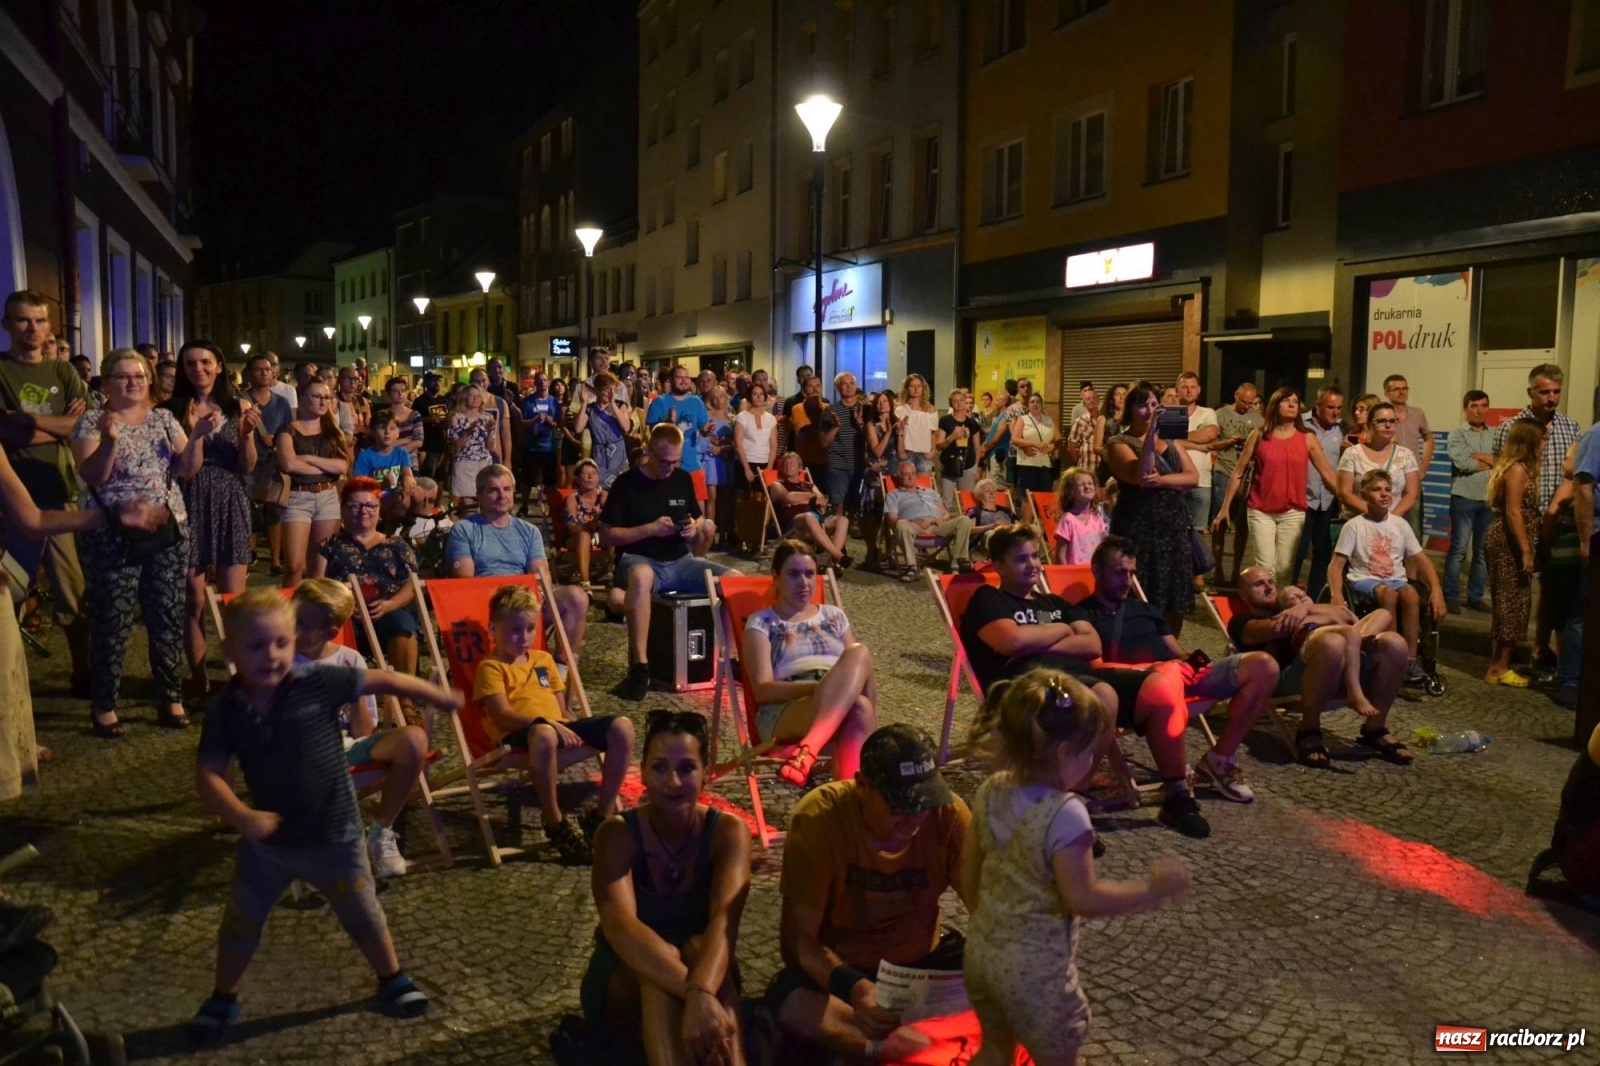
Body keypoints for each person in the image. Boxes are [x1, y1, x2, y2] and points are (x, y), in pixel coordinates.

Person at [187, 588, 457, 1043]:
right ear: (229, 651)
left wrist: (434, 693)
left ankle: (391, 977)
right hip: (269, 845)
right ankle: (223, 996)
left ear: (293, 642)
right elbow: (208, 775)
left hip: (336, 834)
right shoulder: (226, 710)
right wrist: (241, 815)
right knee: (240, 920)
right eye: (254, 646)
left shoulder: (316, 682)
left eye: (280, 643)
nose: (270, 656)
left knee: (364, 913)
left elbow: (384, 679)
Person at [961, 670, 1191, 1066]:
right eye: (1089, 752)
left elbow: (967, 872)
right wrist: (1153, 890)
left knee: (995, 1051)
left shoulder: (991, 789)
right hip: (1037, 974)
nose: (1090, 761)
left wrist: (994, 926)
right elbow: (1085, 898)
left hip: (982, 954)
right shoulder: (1066, 814)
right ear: (1065, 752)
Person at [958, 525, 1212, 838]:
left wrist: (1036, 639)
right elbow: (1010, 642)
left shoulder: (1054, 603)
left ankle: (1175, 794)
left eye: (1036, 555)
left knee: (1158, 687)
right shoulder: (988, 599)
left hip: (1078, 677)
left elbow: (1092, 645)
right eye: (1021, 559)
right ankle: (1066, 807)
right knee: (1103, 694)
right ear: (998, 565)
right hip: (1026, 688)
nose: (1033, 564)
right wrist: (1063, 632)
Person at [766, 724, 970, 1062]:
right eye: (900, 807)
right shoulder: (821, 817)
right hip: (847, 975)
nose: (914, 818)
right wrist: (854, 988)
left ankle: (903, 1047)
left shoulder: (948, 815)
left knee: (1001, 986)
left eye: (924, 804)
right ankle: (923, 1050)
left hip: (922, 968)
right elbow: (797, 941)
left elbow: (991, 913)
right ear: (862, 786)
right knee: (790, 1001)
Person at [585, 710, 751, 1065]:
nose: (673, 782)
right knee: (655, 972)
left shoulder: (728, 833)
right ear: (642, 771)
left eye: (687, 768)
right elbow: (621, 927)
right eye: (660, 767)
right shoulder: (617, 835)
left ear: (707, 772)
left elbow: (725, 921)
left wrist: (702, 989)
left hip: (704, 964)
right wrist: (700, 994)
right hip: (625, 971)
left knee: (698, 946)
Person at [1068, 536, 1274, 802]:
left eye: (1132, 573)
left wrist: (1193, 662)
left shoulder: (1146, 609)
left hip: (1176, 675)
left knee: (1263, 666)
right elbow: (1096, 669)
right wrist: (1154, 668)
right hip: (1140, 687)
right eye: (1120, 573)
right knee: (1167, 675)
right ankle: (1176, 773)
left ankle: (1219, 759)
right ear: (1097, 571)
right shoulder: (1081, 614)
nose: (1128, 581)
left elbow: (1177, 652)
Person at [71, 348, 212, 734]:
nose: (132, 382)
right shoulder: (91, 422)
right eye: (122, 376)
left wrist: (197, 436)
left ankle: (170, 698)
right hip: (109, 534)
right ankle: (104, 707)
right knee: (111, 619)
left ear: (149, 379)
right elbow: (93, 478)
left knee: (166, 617)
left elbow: (187, 470)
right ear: (106, 382)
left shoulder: (165, 419)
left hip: (167, 531)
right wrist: (111, 441)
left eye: (138, 375)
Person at [474, 584, 634, 863]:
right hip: (518, 737)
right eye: (514, 629)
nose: (523, 638)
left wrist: (571, 725)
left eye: (530, 629)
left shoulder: (543, 659)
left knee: (622, 727)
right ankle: (555, 821)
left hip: (554, 728)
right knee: (544, 733)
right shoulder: (491, 667)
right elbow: (502, 716)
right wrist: (547, 722)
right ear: (492, 629)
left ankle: (602, 815)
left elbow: (561, 708)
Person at [291, 579, 429, 879]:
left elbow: (363, 731)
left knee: (415, 739)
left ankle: (381, 830)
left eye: (304, 623)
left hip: (347, 749)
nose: (294, 628)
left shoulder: (350, 660)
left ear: (329, 631)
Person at [1229, 566, 1413, 768]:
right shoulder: (1242, 621)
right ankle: (1309, 730)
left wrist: (1305, 609)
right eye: (1259, 584)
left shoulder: (1291, 607)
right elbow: (1278, 628)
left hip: (1343, 664)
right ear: (1243, 594)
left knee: (1395, 643)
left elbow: (1342, 613)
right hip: (1290, 681)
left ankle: (1375, 729)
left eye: (1270, 582)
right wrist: (1322, 615)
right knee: (1332, 643)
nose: (1268, 588)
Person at [0, 290, 92, 694]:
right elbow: (3, 430)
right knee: (10, 594)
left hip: (58, 493)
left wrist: (27, 423)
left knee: (72, 593)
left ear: (49, 326)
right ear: (7, 325)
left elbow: (82, 427)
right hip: (9, 497)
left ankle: (84, 674)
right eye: (23, 321)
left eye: (39, 321)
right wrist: (55, 424)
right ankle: (12, 684)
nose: (32, 328)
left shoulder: (62, 372)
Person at [601, 424, 734, 701]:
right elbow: (606, 535)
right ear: (649, 451)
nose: (669, 468)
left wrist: (692, 527)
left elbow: (696, 517)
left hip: (680, 559)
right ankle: (640, 666)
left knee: (736, 580)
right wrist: (649, 529)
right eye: (664, 462)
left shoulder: (682, 479)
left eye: (675, 461)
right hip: (640, 558)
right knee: (640, 576)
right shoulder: (626, 484)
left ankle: (730, 658)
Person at [165, 340, 260, 703]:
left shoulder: (237, 406)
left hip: (229, 496)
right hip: (188, 499)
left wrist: (247, 434)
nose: (199, 369)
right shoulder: (171, 409)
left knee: (234, 600)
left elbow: (247, 465)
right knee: (193, 599)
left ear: (219, 365)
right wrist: (194, 433)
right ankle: (199, 677)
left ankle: (239, 676)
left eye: (206, 361)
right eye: (191, 364)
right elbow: (184, 468)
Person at [745, 540, 878, 788]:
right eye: (794, 574)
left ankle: (842, 794)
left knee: (859, 664)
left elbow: (858, 669)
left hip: (839, 698)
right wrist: (820, 689)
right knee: (857, 688)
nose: (804, 582)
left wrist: (831, 689)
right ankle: (861, 760)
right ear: (775, 577)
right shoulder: (762, 623)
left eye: (809, 574)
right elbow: (762, 691)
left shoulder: (834, 615)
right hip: (787, 707)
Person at [445, 464, 590, 652]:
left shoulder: (529, 531)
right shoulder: (464, 529)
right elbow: (465, 580)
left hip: (526, 601)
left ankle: (561, 669)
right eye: (493, 490)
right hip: (487, 605)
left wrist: (527, 597)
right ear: (479, 495)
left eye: (507, 489)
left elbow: (541, 577)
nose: (502, 495)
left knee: (577, 597)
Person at [1211, 387, 1339, 591]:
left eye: (1295, 401)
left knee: (1284, 569)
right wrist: (1225, 507)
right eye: (1286, 400)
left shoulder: (1307, 437)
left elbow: (1328, 473)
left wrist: (1350, 500)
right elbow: (1238, 471)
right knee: (1266, 567)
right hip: (1260, 510)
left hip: (1293, 511)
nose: (1291, 404)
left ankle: (1281, 614)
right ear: (1275, 404)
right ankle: (1264, 612)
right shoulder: (1259, 435)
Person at [1326, 470, 1446, 688]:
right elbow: (1336, 566)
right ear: (1363, 495)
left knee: (1410, 593)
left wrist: (1437, 591)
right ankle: (1390, 653)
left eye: (1387, 490)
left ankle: (1409, 659)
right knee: (1388, 594)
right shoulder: (1354, 526)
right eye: (1376, 489)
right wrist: (1336, 595)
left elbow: (1422, 560)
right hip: (1363, 579)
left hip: (1395, 579)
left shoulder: (1400, 525)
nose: (1384, 494)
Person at [1105, 382, 1198, 631]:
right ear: (1130, 410)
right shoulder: (1118, 441)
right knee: (1141, 583)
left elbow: (1192, 477)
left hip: (1173, 525)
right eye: (1142, 405)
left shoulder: (1171, 441)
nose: (1150, 410)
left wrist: (1163, 480)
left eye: (1154, 404)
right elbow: (1141, 476)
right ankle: (1137, 641)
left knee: (1172, 590)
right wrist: (1149, 438)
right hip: (1140, 524)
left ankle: (1169, 648)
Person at [317, 477, 422, 687]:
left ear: (379, 509)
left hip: (388, 611)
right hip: (345, 614)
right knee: (331, 628)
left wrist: (390, 605)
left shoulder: (397, 545)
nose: (363, 511)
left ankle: (405, 701)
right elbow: (317, 585)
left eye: (370, 506)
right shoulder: (329, 545)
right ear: (343, 509)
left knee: (402, 625)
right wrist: (344, 606)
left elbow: (413, 583)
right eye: (355, 505)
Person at [1483, 422, 1542, 687]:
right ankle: (1499, 667)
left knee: (1515, 602)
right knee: (1510, 603)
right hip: (1509, 542)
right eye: (1542, 439)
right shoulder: (1517, 470)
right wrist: (1526, 551)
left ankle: (1500, 663)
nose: (1545, 444)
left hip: (1515, 540)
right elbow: (1513, 511)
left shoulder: (1523, 469)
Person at [275, 378, 349, 588]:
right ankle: (290, 612)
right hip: (298, 498)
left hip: (327, 497)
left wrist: (308, 458)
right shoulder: (288, 430)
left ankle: (315, 614)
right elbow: (289, 464)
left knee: (321, 569)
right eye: (316, 396)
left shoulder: (333, 432)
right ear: (303, 398)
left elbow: (343, 466)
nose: (322, 401)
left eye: (326, 397)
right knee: (294, 566)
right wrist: (326, 467)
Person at [240, 353, 295, 575]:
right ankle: (248, 554)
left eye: (268, 369)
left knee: (274, 510)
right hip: (247, 461)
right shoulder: (241, 401)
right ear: (250, 373)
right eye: (258, 369)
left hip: (272, 461)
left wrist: (277, 440)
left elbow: (288, 429)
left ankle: (274, 560)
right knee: (249, 509)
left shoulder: (281, 402)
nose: (264, 373)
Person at [1290, 386, 1347, 598]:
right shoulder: (1299, 424)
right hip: (1302, 498)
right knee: (1297, 551)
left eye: (1339, 408)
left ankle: (1315, 597)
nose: (1336, 412)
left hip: (1329, 499)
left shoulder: (1344, 429)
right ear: (1318, 406)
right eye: (1330, 407)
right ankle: (1288, 593)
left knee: (1323, 552)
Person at [1444, 390, 1495, 613]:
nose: (1479, 410)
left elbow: (1502, 460)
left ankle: (1475, 597)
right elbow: (1462, 463)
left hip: (1489, 499)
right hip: (1464, 498)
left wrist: (1476, 456)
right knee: (1459, 550)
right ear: (1466, 408)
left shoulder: (1495, 434)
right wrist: (1490, 461)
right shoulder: (1457, 434)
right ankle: (1450, 596)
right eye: (1474, 406)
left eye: (1483, 405)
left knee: (1483, 552)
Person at [884, 459, 974, 581]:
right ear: (899, 477)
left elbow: (946, 514)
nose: (911, 477)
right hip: (914, 527)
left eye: (913, 473)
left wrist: (942, 518)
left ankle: (956, 561)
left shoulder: (930, 492)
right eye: (906, 474)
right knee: (901, 524)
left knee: (964, 520)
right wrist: (914, 522)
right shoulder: (894, 495)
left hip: (936, 527)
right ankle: (912, 567)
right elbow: (892, 519)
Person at [1208, 382, 1261, 585]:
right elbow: (1211, 442)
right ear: (1235, 395)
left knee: (1242, 526)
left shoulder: (1258, 420)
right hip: (1224, 469)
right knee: (1220, 522)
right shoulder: (1220, 415)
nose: (1246, 406)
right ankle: (1218, 569)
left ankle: (1237, 570)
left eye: (1251, 403)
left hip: (1247, 475)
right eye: (1243, 401)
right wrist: (1228, 441)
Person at [1336, 401, 1421, 525]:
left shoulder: (1406, 455)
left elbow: (1412, 494)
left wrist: (1390, 519)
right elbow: (1344, 492)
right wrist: (1373, 515)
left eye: (1392, 421)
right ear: (1370, 424)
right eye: (1381, 421)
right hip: (1359, 523)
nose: (1388, 425)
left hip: (1392, 524)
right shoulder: (1352, 453)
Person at [770, 452, 851, 568]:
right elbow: (789, 498)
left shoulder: (809, 485)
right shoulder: (777, 485)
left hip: (817, 521)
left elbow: (822, 501)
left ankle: (833, 563)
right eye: (785, 464)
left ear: (800, 468)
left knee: (843, 520)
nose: (787, 466)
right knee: (809, 516)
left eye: (791, 463)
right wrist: (812, 496)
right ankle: (838, 556)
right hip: (794, 524)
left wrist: (801, 499)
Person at [1381, 375, 1433, 541]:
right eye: (1396, 389)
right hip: (1388, 481)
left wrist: (1423, 467)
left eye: (1404, 388)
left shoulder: (1417, 413)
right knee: (1387, 528)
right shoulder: (1382, 415)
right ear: (1387, 393)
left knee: (1413, 530)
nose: (1401, 392)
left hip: (1412, 480)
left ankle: (1412, 566)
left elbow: (1429, 438)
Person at [353, 410, 417, 528]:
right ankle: (386, 534)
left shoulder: (401, 453)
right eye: (382, 428)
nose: (387, 432)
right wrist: (382, 485)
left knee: (420, 492)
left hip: (394, 495)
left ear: (398, 432)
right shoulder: (366, 456)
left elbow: (408, 472)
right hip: (373, 498)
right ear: (372, 432)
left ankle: (409, 528)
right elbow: (360, 487)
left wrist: (408, 477)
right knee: (401, 501)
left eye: (392, 428)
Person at [1176, 372, 1220, 541]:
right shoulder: (1169, 413)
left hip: (1201, 482)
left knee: (1197, 539)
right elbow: (1165, 441)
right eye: (1184, 387)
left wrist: (1177, 437)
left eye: (1192, 387)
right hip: (1175, 482)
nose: (1189, 391)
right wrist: (1197, 445)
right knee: (1175, 535)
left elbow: (1209, 435)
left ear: (1199, 390)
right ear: (1177, 389)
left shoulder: (1207, 413)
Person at [646, 366, 710, 477]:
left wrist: (706, 430)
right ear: (671, 380)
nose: (684, 381)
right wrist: (668, 423)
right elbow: (653, 432)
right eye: (679, 377)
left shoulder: (696, 402)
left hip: (693, 465)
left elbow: (703, 430)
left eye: (686, 377)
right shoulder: (659, 402)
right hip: (667, 468)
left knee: (700, 495)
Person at [574, 371, 633, 489]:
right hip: (599, 453)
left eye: (612, 389)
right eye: (605, 389)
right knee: (600, 489)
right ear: (597, 390)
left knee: (621, 487)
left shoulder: (620, 405)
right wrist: (584, 403)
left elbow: (626, 427)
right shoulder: (590, 409)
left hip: (618, 453)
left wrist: (613, 405)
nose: (609, 393)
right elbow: (578, 428)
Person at [448, 383, 501, 512]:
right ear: (465, 397)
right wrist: (468, 432)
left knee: (485, 503)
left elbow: (490, 446)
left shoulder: (488, 417)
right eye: (471, 395)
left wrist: (489, 432)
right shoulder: (456, 417)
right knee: (468, 505)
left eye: (478, 396)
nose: (475, 399)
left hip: (483, 464)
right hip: (464, 465)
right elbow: (457, 446)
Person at [517, 371, 562, 510]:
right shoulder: (527, 401)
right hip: (531, 447)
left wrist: (551, 422)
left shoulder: (554, 402)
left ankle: (551, 508)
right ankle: (524, 505)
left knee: (550, 481)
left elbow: (559, 423)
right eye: (539, 380)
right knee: (527, 479)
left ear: (548, 383)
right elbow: (520, 422)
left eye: (545, 380)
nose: (542, 382)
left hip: (549, 447)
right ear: (535, 383)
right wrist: (534, 421)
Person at [935, 388, 984, 508]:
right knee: (946, 501)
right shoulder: (945, 421)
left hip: (968, 464)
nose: (959, 403)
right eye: (955, 401)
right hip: (950, 464)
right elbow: (939, 445)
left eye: (961, 400)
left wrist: (976, 467)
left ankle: (968, 525)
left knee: (968, 501)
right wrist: (952, 437)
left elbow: (977, 447)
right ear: (951, 403)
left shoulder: (972, 423)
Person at [825, 372, 865, 513]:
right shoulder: (830, 411)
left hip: (859, 462)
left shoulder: (865, 409)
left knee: (856, 502)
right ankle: (838, 530)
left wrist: (859, 422)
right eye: (844, 384)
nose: (848, 387)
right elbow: (823, 442)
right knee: (839, 504)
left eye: (851, 383)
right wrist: (835, 427)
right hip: (837, 464)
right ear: (837, 388)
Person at [1053, 467, 1108, 566]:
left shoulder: (1097, 520)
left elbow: (1104, 549)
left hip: (1094, 574)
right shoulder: (1068, 520)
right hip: (1074, 575)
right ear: (1070, 492)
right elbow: (1060, 555)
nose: (1087, 487)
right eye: (1082, 485)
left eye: (1090, 483)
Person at [733, 380, 778, 495]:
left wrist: (769, 467)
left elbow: (773, 445)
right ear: (749, 397)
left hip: (765, 463)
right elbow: (738, 445)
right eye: (755, 394)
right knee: (746, 499)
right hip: (746, 462)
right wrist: (747, 469)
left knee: (764, 499)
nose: (758, 397)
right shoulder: (742, 418)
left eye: (761, 394)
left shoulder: (771, 419)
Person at [1008, 393, 1057, 494]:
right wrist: (1034, 444)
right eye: (1032, 402)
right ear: (1028, 406)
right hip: (1027, 465)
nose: (1036, 404)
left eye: (1038, 402)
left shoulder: (1049, 420)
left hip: (1045, 465)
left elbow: (1058, 439)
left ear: (1042, 405)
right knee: (1028, 497)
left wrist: (1053, 446)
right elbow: (1015, 439)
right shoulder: (1023, 420)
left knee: (1045, 496)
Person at [895, 373, 939, 476]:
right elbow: (898, 433)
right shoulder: (900, 410)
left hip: (924, 455)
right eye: (912, 386)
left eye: (919, 386)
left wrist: (932, 451)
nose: (916, 389)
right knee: (906, 489)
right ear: (907, 388)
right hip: (907, 454)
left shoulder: (931, 410)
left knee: (923, 489)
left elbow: (933, 433)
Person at [470, 367, 515, 466]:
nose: (481, 384)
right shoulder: (465, 403)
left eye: (483, 380)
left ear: (488, 382)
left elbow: (506, 434)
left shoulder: (499, 402)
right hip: (471, 458)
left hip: (494, 457)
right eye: (476, 381)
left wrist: (507, 460)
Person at [967, 477, 1017, 556]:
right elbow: (969, 530)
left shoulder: (1006, 511)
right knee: (992, 534)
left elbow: (1019, 525)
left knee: (1034, 529)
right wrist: (992, 526)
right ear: (979, 495)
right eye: (988, 491)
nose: (992, 493)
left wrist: (1008, 526)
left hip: (1009, 534)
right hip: (986, 538)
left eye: (994, 491)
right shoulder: (975, 511)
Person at [1065, 385, 1099, 471]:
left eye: (1093, 398)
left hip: (1103, 470)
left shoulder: (1105, 421)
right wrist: (1078, 462)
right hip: (1086, 468)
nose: (1091, 400)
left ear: (1098, 401)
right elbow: (1071, 448)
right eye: (1088, 399)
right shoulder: (1079, 422)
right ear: (1084, 404)